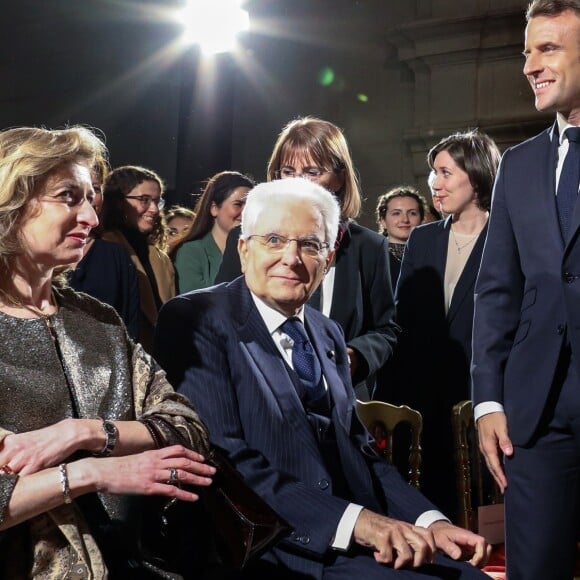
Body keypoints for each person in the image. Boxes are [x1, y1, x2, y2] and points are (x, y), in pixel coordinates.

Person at [155, 177, 490, 579]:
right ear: (244, 249)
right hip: (268, 541)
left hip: (353, 533)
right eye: (274, 240)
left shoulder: (327, 331)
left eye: (309, 245)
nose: (291, 258)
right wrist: (359, 523)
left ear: (328, 259)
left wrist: (429, 521)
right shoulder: (196, 318)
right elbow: (224, 456)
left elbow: (361, 451)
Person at [0, 125, 215, 578]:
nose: (92, 219)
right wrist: (93, 475)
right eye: (67, 196)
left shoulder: (97, 319)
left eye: (91, 200)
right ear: (11, 202)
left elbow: (186, 428)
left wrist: (82, 433)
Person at [471, 1, 580, 577]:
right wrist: (488, 399)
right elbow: (497, 292)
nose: (530, 66)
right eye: (526, 52)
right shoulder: (518, 164)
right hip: (535, 418)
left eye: (548, 49)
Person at [215, 116, 398, 398]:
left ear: (339, 178)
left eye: (312, 172)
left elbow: (385, 330)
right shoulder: (246, 236)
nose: (298, 183)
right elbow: (223, 314)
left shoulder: (369, 246)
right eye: (288, 171)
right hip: (258, 392)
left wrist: (354, 357)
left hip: (341, 398)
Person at [377, 130, 500, 520]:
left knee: (483, 512)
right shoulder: (423, 238)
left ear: (476, 175)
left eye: (445, 172)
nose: (435, 183)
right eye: (433, 173)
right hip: (423, 399)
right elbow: (404, 319)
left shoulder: (506, 236)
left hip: (480, 394)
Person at [100, 165, 175, 354]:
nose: (154, 209)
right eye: (144, 200)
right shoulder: (104, 249)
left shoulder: (160, 257)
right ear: (118, 202)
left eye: (157, 201)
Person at [68, 155, 140, 340]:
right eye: (71, 190)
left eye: (95, 189)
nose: (89, 198)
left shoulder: (116, 256)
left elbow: (129, 326)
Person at [174, 171, 254, 292]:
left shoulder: (256, 250)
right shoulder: (191, 252)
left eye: (250, 206)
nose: (245, 212)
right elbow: (195, 302)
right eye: (238, 204)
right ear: (214, 208)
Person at [375, 186, 426, 291]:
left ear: (422, 219)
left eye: (412, 213)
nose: (405, 219)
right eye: (396, 213)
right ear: (383, 221)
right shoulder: (371, 258)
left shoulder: (433, 255)